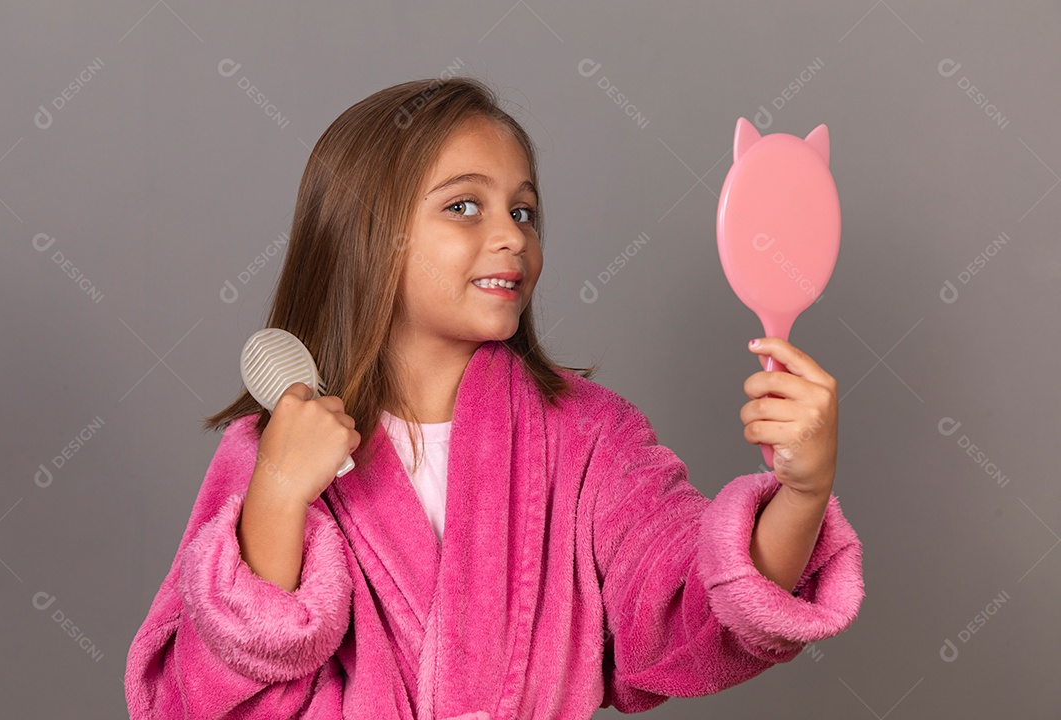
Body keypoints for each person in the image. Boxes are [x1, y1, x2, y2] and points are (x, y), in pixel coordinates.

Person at [124, 75, 864, 719]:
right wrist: (280, 495)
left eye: (523, 211)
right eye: (464, 207)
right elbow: (195, 703)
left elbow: (691, 611)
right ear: (365, 234)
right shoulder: (273, 453)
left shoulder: (589, 438)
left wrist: (803, 494)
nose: (512, 236)